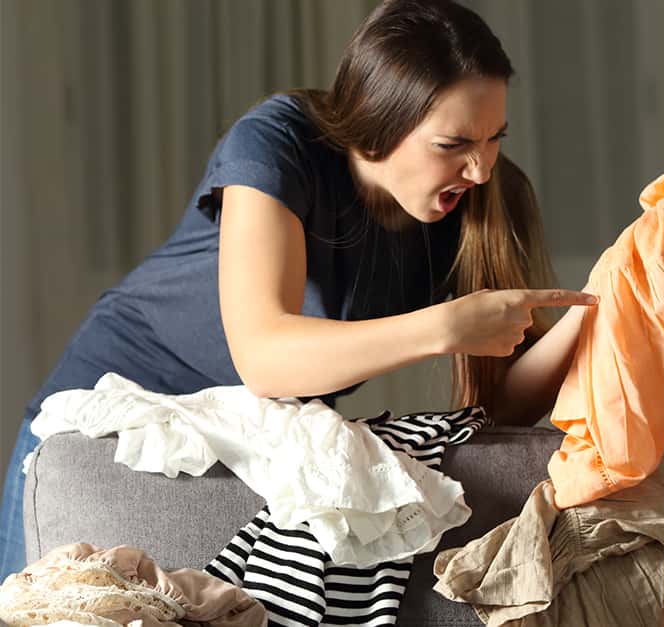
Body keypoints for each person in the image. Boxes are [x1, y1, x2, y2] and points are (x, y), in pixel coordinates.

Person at [0, 0, 596, 577]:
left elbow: (500, 411)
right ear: (377, 120)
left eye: (495, 138)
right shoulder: (278, 140)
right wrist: (443, 328)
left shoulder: (483, 201)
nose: (481, 168)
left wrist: (595, 308)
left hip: (253, 446)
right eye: (453, 145)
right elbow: (264, 357)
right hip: (107, 420)